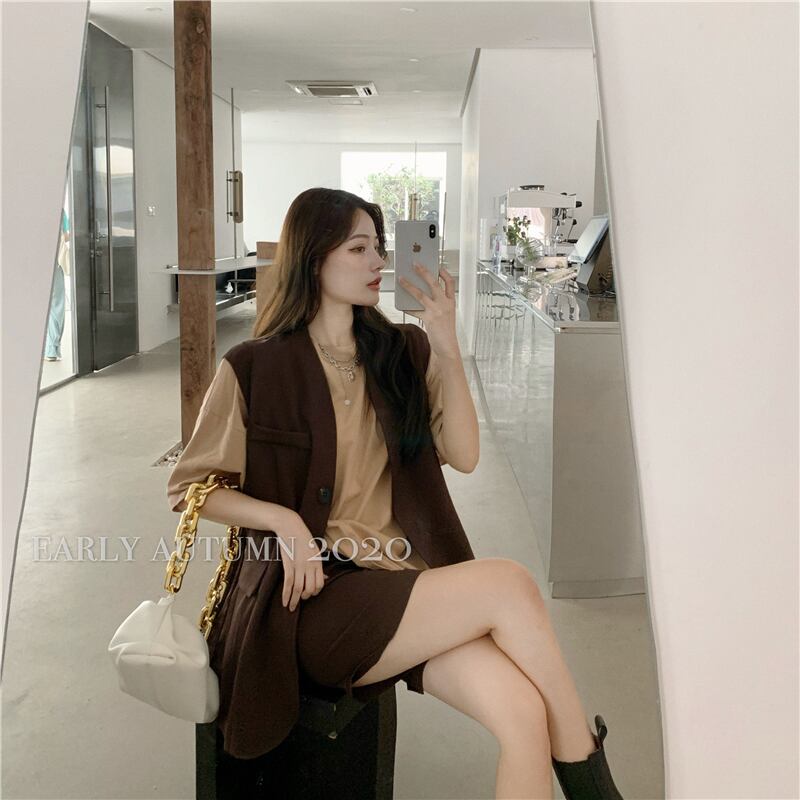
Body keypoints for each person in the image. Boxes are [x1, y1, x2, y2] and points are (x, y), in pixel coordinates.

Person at [166, 187, 623, 799]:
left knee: (521, 714)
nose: (378, 262)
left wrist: (446, 343)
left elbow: (464, 455)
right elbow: (190, 488)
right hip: (314, 600)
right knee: (510, 583)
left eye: (379, 247)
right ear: (313, 259)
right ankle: (594, 785)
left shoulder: (401, 352)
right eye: (359, 249)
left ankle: (583, 776)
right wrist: (285, 522)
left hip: (404, 586)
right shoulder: (255, 367)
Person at [45, 208, 70, 362]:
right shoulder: (59, 210)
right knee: (57, 305)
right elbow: (65, 235)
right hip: (55, 261)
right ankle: (51, 349)